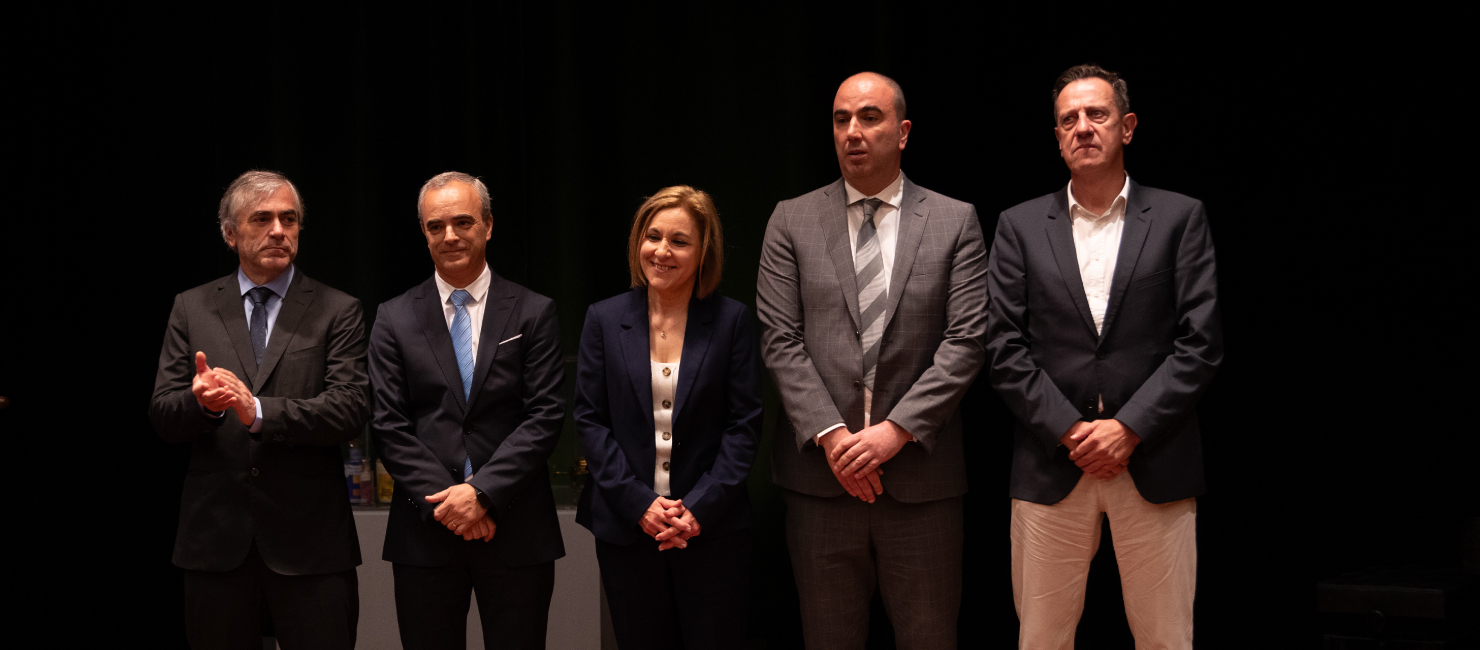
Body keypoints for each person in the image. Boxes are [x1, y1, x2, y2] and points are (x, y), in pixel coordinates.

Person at [985, 64, 1223, 649]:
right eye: (1069, 119)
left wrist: (1129, 428)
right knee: (1041, 640)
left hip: (1154, 459)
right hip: (1051, 463)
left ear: (1128, 126)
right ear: (1057, 136)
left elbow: (1200, 343)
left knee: (1166, 640)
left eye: (1097, 114)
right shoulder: (1018, 226)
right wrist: (1071, 431)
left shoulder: (1179, 217)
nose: (1083, 127)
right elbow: (1003, 347)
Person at [756, 72, 989, 649]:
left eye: (869, 117)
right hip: (821, 482)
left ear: (903, 132)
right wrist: (835, 437)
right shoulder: (791, 219)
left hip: (921, 483)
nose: (852, 132)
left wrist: (895, 431)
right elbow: (780, 338)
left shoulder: (955, 220)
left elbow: (965, 341)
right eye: (841, 120)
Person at [149, 170, 369, 649]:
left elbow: (350, 408)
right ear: (230, 234)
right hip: (216, 542)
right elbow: (164, 414)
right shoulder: (191, 307)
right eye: (262, 219)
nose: (278, 230)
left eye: (289, 219)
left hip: (311, 543)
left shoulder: (338, 309)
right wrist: (202, 405)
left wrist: (259, 412)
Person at [369, 171, 567, 649]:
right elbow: (388, 425)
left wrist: (481, 493)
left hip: (517, 526)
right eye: (436, 226)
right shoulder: (393, 317)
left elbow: (544, 416)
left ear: (488, 225)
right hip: (426, 532)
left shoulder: (533, 311)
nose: (450, 236)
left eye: (463, 222)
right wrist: (453, 504)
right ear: (424, 233)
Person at [573, 186, 763, 649]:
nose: (662, 251)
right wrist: (640, 504)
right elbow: (590, 421)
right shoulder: (603, 318)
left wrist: (697, 509)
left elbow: (744, 425)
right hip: (627, 529)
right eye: (653, 236)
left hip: (711, 531)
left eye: (679, 241)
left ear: (703, 253)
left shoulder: (732, 321)